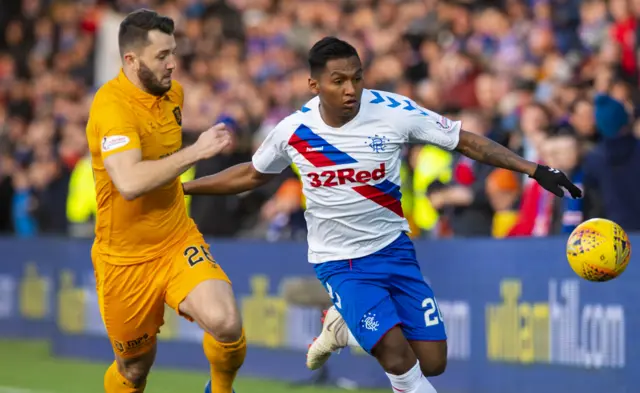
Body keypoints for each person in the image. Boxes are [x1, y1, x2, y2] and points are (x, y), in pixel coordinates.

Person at [182, 37, 581, 393]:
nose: (351, 89)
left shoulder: (395, 112)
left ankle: (342, 325)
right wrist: (182, 186)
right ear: (314, 85)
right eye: (338, 80)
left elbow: (466, 142)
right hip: (341, 262)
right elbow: (252, 173)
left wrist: (533, 169)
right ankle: (353, 320)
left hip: (395, 251)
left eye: (356, 78)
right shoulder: (293, 130)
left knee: (433, 362)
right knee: (397, 360)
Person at [86, 9, 244, 393]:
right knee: (135, 369)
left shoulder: (173, 92)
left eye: (172, 52)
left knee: (226, 322)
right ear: (130, 60)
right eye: (162, 56)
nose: (172, 64)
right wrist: (197, 151)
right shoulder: (112, 108)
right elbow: (128, 182)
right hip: (125, 261)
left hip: (176, 241)